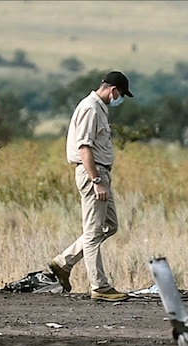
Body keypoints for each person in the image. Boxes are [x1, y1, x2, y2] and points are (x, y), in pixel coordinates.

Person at [47, 71, 134, 302]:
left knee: (110, 225)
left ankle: (64, 261)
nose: (119, 99)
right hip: (92, 174)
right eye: (121, 94)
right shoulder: (90, 108)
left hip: (101, 173)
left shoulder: (99, 109)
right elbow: (84, 148)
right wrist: (96, 180)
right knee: (94, 231)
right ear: (113, 90)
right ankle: (100, 286)